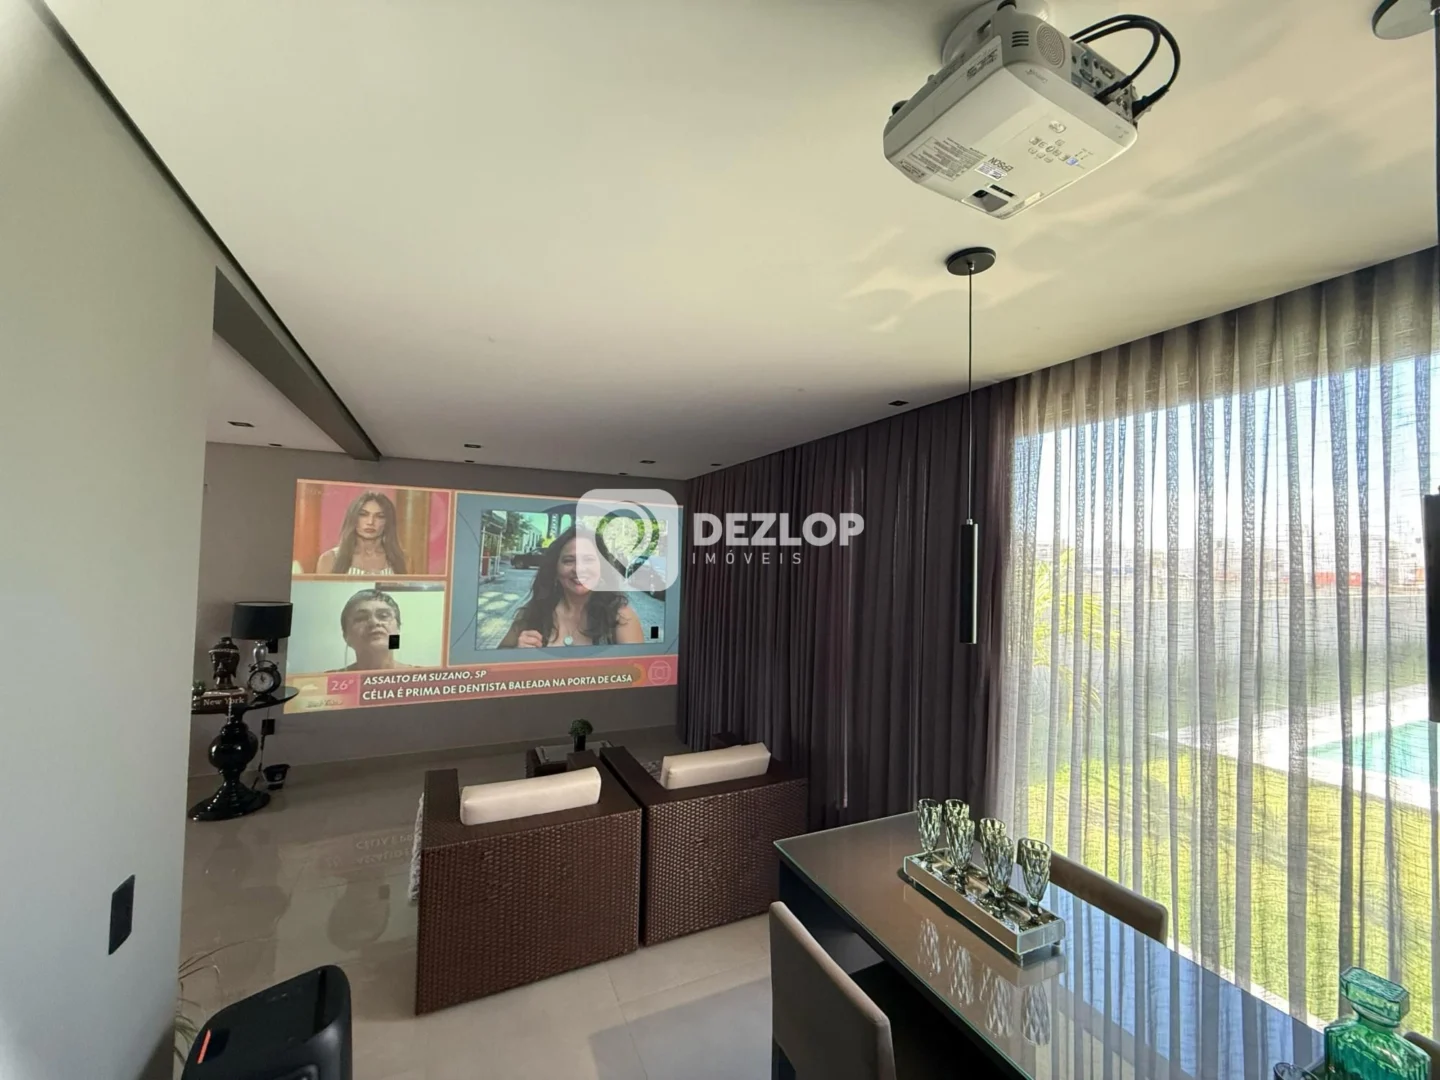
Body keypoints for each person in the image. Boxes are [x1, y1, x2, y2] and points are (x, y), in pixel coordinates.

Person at [499, 527, 643, 647]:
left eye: (588, 560)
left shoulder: (621, 618)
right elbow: (495, 664)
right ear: (555, 569)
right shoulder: (533, 613)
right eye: (569, 560)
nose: (579, 569)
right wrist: (516, 655)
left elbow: (638, 670)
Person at [316, 490, 408, 575]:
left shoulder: (404, 560)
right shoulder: (330, 559)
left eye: (380, 516)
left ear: (388, 522)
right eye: (363, 515)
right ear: (353, 518)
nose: (370, 522)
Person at [334, 588, 411, 671]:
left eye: (383, 616)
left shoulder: (420, 676)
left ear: (398, 629)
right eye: (361, 618)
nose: (374, 622)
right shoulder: (328, 678)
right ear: (346, 636)